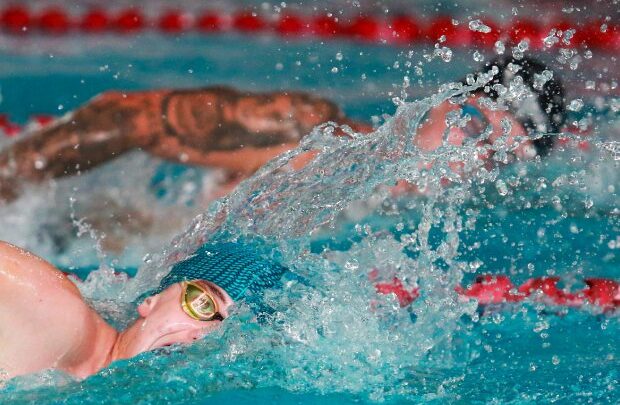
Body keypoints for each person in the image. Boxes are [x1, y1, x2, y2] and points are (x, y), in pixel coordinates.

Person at [0, 56, 569, 380]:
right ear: (450, 97)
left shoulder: (406, 217)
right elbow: (125, 120)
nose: (466, 157)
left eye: (493, 157)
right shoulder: (306, 133)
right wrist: (9, 177)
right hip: (59, 242)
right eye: (472, 127)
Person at [0, 239, 288, 380]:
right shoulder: (53, 311)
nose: (201, 336)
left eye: (226, 331)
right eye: (203, 304)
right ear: (152, 301)